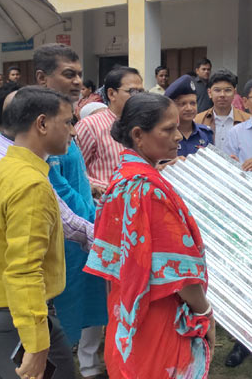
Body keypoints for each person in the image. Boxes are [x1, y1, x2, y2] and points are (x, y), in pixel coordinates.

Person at [0, 85, 92, 379]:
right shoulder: (29, 184)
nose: (73, 132)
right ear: (41, 124)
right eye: (67, 122)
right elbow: (24, 271)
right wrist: (36, 346)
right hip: (13, 319)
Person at [84, 93, 214, 379]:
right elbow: (180, 275)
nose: (178, 136)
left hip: (128, 317)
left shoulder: (122, 179)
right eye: (168, 129)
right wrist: (205, 313)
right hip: (159, 319)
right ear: (138, 135)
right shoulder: (148, 190)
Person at [34, 43, 108, 378]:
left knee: (91, 303)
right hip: (67, 236)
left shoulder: (66, 118)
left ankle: (91, 367)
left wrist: (91, 187)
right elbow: (54, 186)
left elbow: (69, 175)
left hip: (84, 227)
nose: (78, 81)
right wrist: (94, 219)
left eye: (79, 74)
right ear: (42, 78)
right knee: (63, 312)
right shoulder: (42, 125)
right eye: (69, 74)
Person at [76, 67, 142, 191]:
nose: (138, 97)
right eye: (132, 91)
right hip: (103, 204)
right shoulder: (90, 125)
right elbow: (76, 172)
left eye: (141, 92)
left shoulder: (142, 125)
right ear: (111, 94)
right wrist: (107, 187)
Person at [195, 69, 250, 154]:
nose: (222, 95)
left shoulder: (248, 120)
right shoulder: (198, 120)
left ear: (234, 93)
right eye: (217, 90)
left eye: (227, 90)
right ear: (209, 93)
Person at [165, 74, 214, 157]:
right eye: (183, 104)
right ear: (171, 106)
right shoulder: (165, 135)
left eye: (193, 103)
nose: (189, 108)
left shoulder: (206, 134)